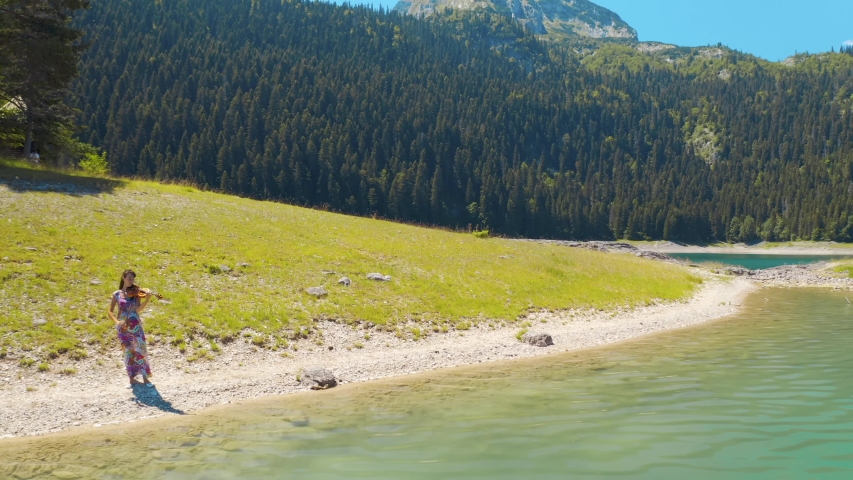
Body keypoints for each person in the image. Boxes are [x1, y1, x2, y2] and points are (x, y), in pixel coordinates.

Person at [108, 269, 154, 388]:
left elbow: (137, 309)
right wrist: (117, 321)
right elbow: (110, 312)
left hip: (136, 325)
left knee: (141, 349)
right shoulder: (117, 294)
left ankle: (145, 378)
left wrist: (147, 299)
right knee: (128, 352)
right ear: (123, 278)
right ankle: (131, 379)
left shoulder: (136, 293)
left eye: (133, 279)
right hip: (123, 327)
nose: (131, 281)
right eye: (129, 278)